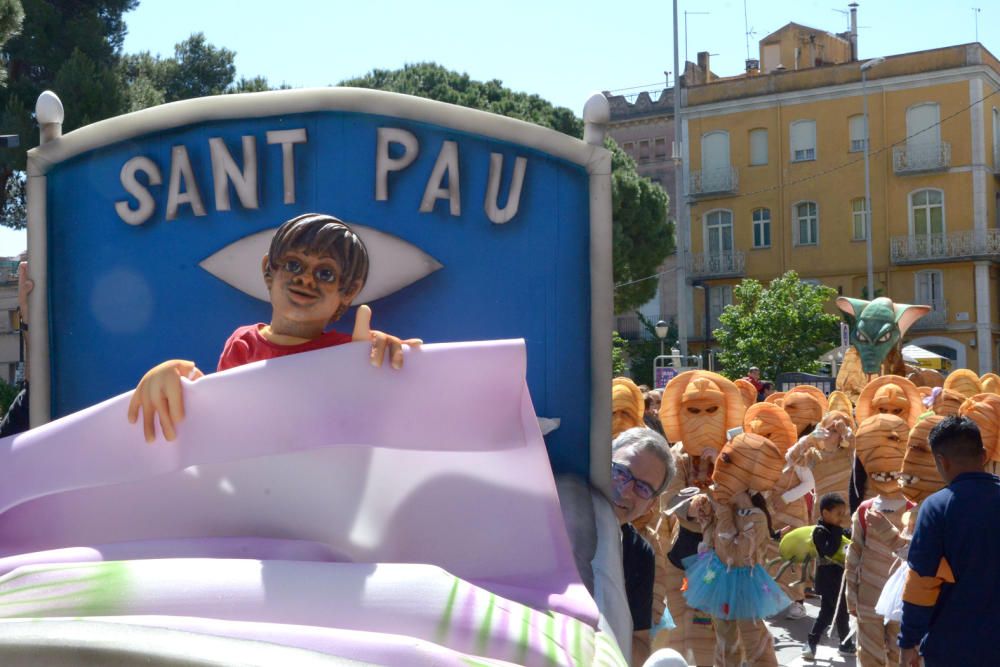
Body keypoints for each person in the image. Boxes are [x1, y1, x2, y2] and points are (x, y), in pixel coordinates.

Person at [128, 213, 420, 443]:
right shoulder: (244, 345)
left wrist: (381, 363)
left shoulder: (353, 351)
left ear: (349, 290)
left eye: (325, 273)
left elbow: (374, 424)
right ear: (269, 270)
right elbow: (223, 424)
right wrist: (172, 377)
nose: (306, 281)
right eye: (294, 266)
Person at [898, 416, 1000, 667]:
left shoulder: (936, 507)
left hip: (952, 646)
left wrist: (908, 640)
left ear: (941, 461)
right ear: (984, 454)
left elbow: (922, 580)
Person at [611, 427, 675, 667]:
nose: (626, 490)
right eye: (620, 472)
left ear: (651, 505)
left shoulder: (640, 554)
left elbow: (639, 646)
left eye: (643, 487)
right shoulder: (553, 511)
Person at [802, 493, 855, 660]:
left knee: (838, 613)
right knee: (831, 613)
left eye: (843, 514)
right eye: (838, 514)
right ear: (825, 513)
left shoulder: (835, 530)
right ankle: (814, 642)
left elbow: (849, 539)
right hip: (827, 580)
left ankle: (842, 644)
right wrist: (839, 531)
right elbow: (829, 550)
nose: (841, 517)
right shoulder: (820, 531)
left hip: (838, 579)